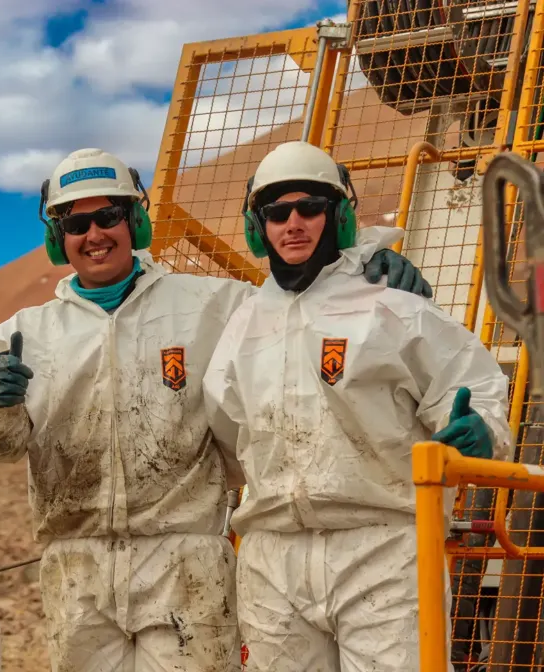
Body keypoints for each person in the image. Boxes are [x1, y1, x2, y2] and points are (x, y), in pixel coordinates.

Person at [0, 147, 434, 672]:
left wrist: (364, 267)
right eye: (77, 222)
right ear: (57, 238)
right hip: (75, 566)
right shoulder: (27, 334)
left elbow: (301, 305)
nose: (95, 234)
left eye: (108, 216)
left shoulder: (214, 305)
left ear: (134, 222)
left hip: (185, 561)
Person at [201, 140, 513, 671]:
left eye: (310, 207)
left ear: (339, 216)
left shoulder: (393, 308)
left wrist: (480, 432)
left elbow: (472, 386)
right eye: (276, 212)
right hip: (272, 557)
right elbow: (231, 432)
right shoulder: (242, 326)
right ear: (259, 227)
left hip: (384, 549)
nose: (293, 223)